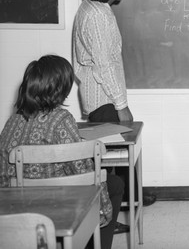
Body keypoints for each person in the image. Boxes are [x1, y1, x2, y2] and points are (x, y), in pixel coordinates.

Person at [0, 55, 124, 249]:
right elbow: (84, 172)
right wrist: (103, 208)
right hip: (55, 205)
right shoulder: (61, 119)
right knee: (114, 183)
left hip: (15, 209)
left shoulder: (13, 120)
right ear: (59, 88)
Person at [72, 0, 156, 215]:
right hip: (104, 97)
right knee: (110, 159)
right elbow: (104, 65)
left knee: (114, 158)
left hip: (102, 93)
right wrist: (122, 105)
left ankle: (128, 198)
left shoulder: (94, 7)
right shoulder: (96, 15)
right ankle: (109, 216)